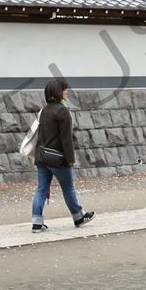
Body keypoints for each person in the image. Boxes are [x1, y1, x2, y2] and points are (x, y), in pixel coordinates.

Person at [32, 78, 94, 232]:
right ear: (58, 93)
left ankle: (37, 222)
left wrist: (38, 155)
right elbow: (66, 138)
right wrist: (70, 160)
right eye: (64, 90)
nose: (67, 92)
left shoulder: (44, 110)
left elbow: (40, 135)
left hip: (42, 157)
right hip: (58, 158)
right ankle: (79, 216)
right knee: (68, 189)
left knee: (41, 190)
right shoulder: (62, 111)